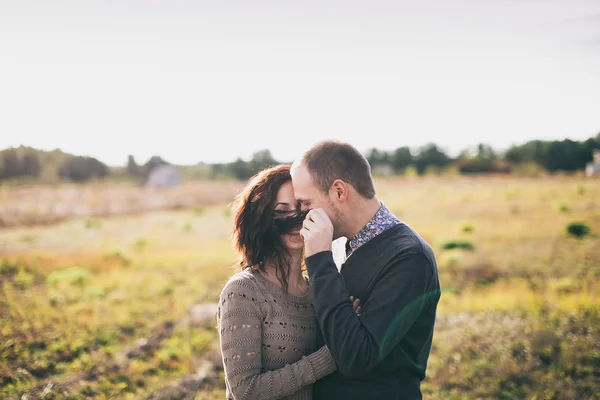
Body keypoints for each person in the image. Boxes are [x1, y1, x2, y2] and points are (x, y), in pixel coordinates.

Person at [290, 140, 441, 400]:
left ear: (339, 191)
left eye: (305, 204)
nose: (301, 215)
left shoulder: (409, 257)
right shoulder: (345, 243)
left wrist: (319, 261)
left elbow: (356, 357)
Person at [216, 164, 340, 400]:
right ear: (262, 219)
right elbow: (245, 391)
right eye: (282, 211)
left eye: (302, 209)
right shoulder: (243, 292)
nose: (295, 219)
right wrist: (327, 359)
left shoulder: (317, 290)